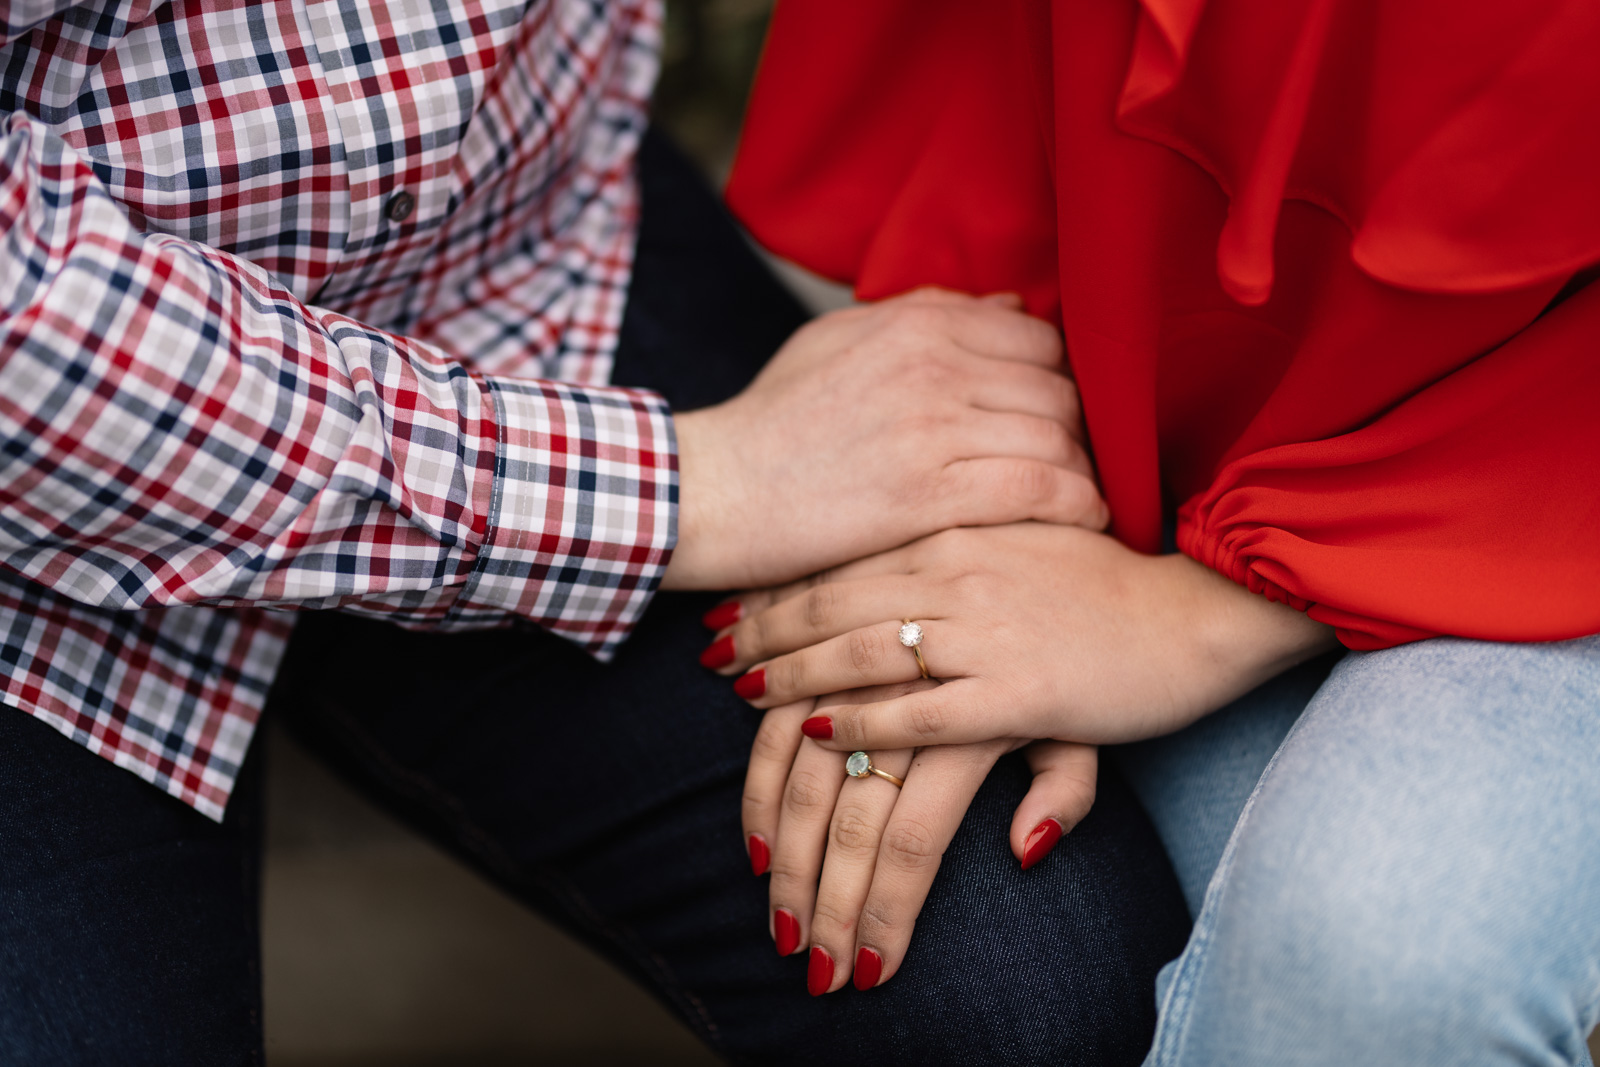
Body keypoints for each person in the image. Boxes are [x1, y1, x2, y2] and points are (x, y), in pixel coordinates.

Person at [0, 2, 1191, 1064]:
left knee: (1029, 997)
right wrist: (693, 486)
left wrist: (1007, 454)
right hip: (35, 517)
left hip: (518, 253)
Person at [715, 1, 1600, 1064]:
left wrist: (1206, 614)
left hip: (1546, 499)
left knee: (1379, 972)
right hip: (1148, 445)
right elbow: (999, 57)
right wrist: (987, 448)